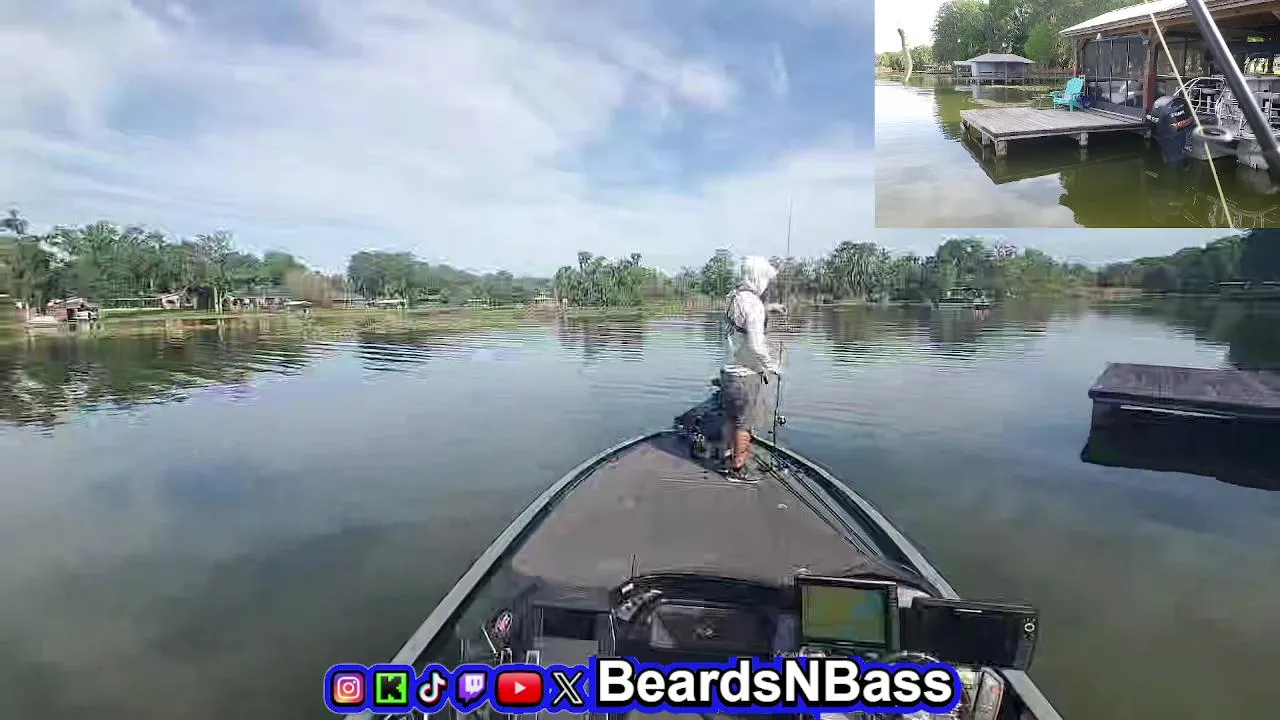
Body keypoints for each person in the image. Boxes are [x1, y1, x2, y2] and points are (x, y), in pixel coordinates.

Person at [720, 256, 782, 481]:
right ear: (758, 277)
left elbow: (743, 319)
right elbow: (756, 345)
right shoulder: (754, 305)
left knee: (731, 417)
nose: (766, 284)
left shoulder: (733, 298)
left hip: (728, 371)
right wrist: (772, 366)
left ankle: (728, 456)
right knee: (745, 424)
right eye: (766, 279)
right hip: (746, 375)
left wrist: (768, 308)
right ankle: (738, 469)